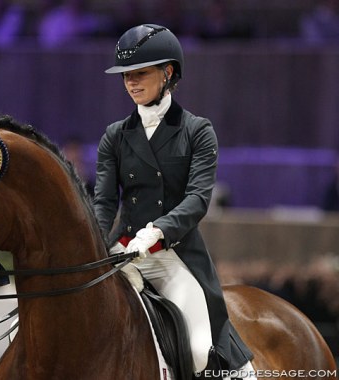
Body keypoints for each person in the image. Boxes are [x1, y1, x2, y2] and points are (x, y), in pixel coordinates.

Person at [93, 24, 255, 378]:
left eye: (140, 73)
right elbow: (104, 203)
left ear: (167, 73)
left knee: (199, 351)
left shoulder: (196, 130)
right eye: (126, 76)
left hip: (175, 254)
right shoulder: (115, 136)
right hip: (124, 253)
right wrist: (95, 247)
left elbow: (198, 199)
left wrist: (158, 232)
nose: (131, 83)